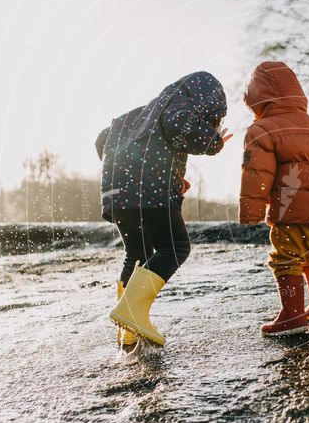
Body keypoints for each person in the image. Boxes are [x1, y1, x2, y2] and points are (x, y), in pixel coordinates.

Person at [96, 71, 232, 348]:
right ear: (204, 100)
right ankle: (131, 311)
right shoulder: (176, 106)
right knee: (175, 247)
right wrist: (214, 140)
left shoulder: (137, 114)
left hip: (117, 196)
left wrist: (129, 175)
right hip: (151, 195)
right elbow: (180, 125)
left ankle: (128, 331)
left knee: (136, 253)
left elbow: (102, 139)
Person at [239, 61, 309, 336]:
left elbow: (256, 173)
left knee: (285, 258)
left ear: (257, 100)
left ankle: (292, 316)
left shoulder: (262, 130)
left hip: (291, 210)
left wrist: (250, 213)